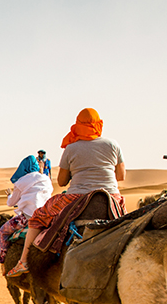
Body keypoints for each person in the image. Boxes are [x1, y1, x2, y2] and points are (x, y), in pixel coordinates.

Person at [7, 108, 126, 276]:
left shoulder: (70, 148)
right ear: (99, 124)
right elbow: (121, 176)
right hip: (111, 196)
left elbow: (62, 182)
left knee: (37, 217)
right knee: (128, 222)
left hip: (77, 197)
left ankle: (24, 261)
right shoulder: (113, 145)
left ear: (77, 125)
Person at [0, 161, 53, 263]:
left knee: (2, 231)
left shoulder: (21, 182)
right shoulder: (46, 179)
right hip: (47, 216)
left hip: (28, 217)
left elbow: (11, 203)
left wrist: (9, 195)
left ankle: (3, 258)